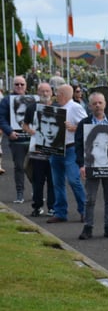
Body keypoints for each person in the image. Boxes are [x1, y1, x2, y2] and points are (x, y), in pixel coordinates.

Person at [75, 92, 108, 240]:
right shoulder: (84, 123)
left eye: (100, 103)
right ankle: (88, 227)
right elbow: (79, 146)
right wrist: (81, 164)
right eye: (95, 103)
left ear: (105, 104)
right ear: (90, 106)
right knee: (90, 199)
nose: (98, 106)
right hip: (91, 165)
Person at [46, 84, 87, 224]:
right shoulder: (58, 108)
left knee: (74, 180)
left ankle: (84, 210)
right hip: (56, 149)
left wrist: (74, 127)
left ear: (63, 94)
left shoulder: (75, 107)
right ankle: (60, 212)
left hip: (70, 149)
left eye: (57, 93)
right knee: (57, 182)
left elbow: (86, 126)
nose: (56, 95)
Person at [21, 82, 55, 217]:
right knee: (37, 179)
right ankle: (37, 206)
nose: (45, 94)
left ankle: (52, 207)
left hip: (53, 150)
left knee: (53, 180)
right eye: (42, 91)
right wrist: (32, 132)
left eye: (47, 91)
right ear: (37, 92)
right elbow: (25, 125)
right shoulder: (32, 108)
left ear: (51, 93)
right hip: (37, 149)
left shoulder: (57, 107)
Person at [0, 76, 31, 203]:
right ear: (13, 85)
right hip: (16, 139)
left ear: (26, 86)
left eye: (22, 84)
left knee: (35, 168)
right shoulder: (7, 101)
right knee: (19, 167)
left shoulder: (33, 100)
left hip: (32, 139)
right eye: (17, 84)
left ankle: (37, 191)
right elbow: (1, 118)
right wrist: (9, 131)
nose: (19, 86)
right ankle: (20, 193)